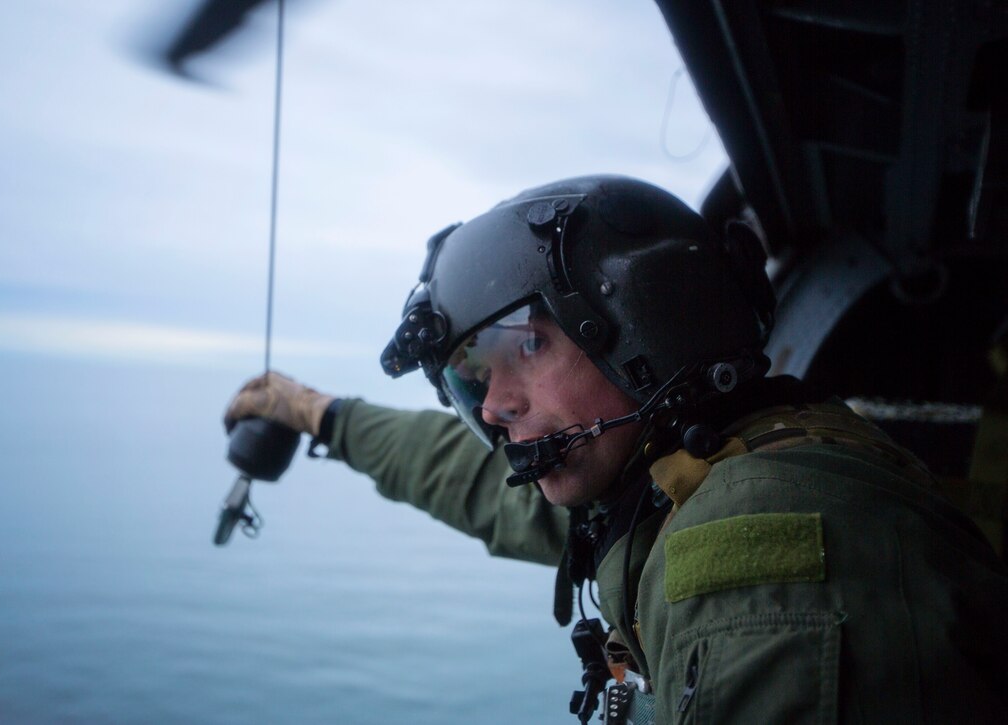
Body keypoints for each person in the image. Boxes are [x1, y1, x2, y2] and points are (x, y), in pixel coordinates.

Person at [225, 175, 1008, 722]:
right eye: (474, 379)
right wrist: (317, 413)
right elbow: (472, 476)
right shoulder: (683, 477)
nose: (495, 407)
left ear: (646, 325)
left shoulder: (755, 557)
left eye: (524, 348)